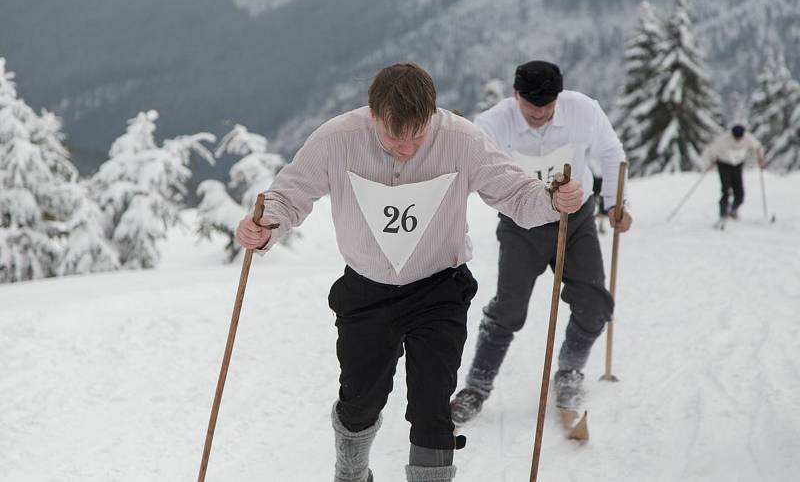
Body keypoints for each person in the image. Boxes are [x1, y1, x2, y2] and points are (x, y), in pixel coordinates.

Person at [235, 63, 584, 482]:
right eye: (392, 137)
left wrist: (553, 199)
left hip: (439, 288)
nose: (406, 148)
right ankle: (351, 474)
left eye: (417, 136)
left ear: (433, 115)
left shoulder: (462, 139)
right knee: (360, 401)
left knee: (432, 406)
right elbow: (288, 196)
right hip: (365, 291)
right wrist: (264, 225)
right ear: (373, 115)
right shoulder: (336, 139)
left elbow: (516, 193)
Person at [450, 60, 632, 424]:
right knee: (509, 308)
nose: (540, 112)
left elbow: (611, 153)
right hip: (521, 224)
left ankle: (570, 370)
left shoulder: (582, 111)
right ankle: (476, 386)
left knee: (594, 302)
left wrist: (615, 203)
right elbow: (466, 166)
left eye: (547, 105)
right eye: (532, 105)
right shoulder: (493, 123)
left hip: (575, 218)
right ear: (515, 95)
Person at [702, 124, 765, 222]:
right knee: (725, 190)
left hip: (737, 165)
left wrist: (760, 159)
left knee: (739, 193)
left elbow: (758, 147)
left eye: (740, 138)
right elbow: (710, 151)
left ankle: (733, 209)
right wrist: (708, 164)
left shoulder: (747, 138)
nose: (738, 140)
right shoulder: (723, 139)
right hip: (724, 164)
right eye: (736, 137)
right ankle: (723, 214)